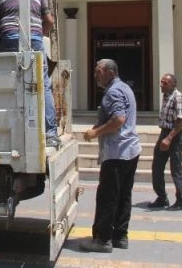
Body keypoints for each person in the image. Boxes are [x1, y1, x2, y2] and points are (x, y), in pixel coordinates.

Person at [0, 0, 60, 148]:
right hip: (35, 39)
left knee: (7, 84)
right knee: (43, 85)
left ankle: (7, 130)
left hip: (10, 37)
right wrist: (38, 35)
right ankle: (50, 134)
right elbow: (49, 21)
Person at [81, 59, 141, 253]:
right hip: (130, 150)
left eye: (98, 71)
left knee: (107, 197)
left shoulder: (113, 92)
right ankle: (120, 236)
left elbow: (118, 120)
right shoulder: (125, 88)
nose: (95, 75)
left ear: (110, 72)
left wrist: (95, 133)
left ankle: (103, 240)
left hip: (117, 152)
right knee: (123, 195)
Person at [148, 73, 182, 211]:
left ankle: (181, 200)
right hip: (164, 133)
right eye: (161, 82)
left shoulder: (178, 97)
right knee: (157, 166)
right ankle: (161, 197)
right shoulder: (166, 96)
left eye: (165, 83)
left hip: (174, 135)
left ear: (173, 84)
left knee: (175, 168)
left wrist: (169, 138)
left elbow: (180, 122)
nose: (161, 85)